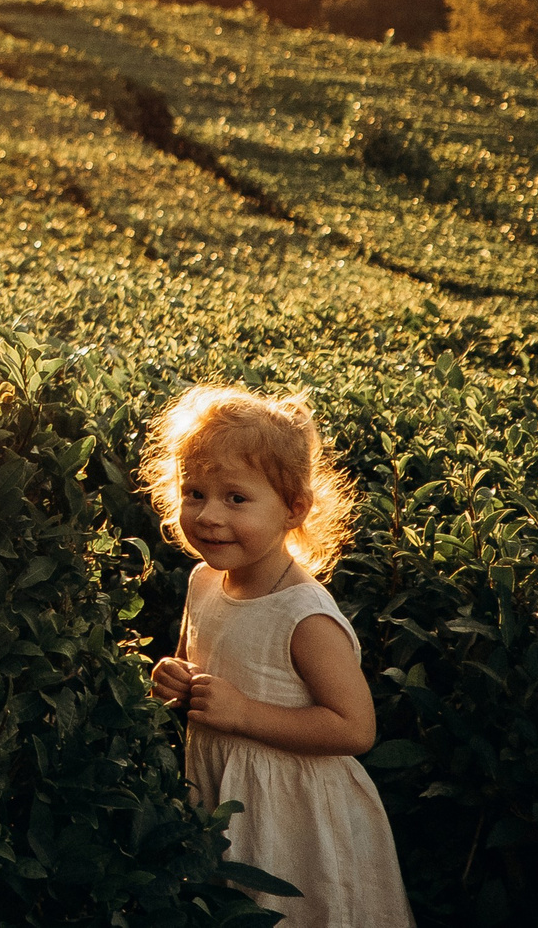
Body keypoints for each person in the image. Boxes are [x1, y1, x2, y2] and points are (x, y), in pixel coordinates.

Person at [142, 384, 411, 927]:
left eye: (236, 498)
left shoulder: (304, 615)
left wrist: (244, 714)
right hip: (223, 797)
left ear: (293, 509)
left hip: (295, 817)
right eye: (193, 493)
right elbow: (196, 667)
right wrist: (173, 679)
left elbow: (355, 729)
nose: (209, 515)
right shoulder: (203, 582)